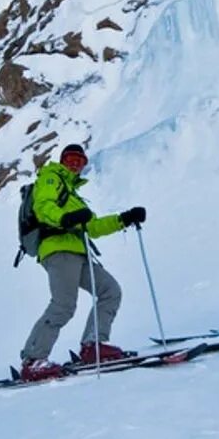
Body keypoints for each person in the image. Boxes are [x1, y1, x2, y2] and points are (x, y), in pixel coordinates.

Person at [19, 143, 147, 381]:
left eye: (81, 161)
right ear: (63, 159)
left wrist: (123, 219)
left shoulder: (73, 193)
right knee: (63, 305)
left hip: (79, 252)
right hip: (57, 249)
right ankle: (33, 360)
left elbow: (93, 227)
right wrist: (65, 218)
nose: (76, 163)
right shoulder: (50, 178)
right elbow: (43, 207)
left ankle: (92, 346)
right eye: (71, 158)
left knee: (110, 291)